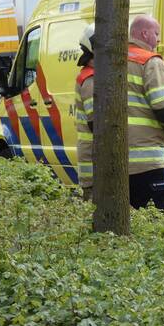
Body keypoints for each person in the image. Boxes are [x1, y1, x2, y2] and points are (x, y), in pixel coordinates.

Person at [127, 15, 164, 209]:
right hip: (149, 162)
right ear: (144, 33)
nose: (159, 39)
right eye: (156, 34)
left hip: (120, 163)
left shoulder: (115, 61)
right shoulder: (150, 62)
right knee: (154, 218)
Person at [74, 25, 96, 199]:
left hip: (92, 154)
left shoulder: (90, 76)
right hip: (93, 158)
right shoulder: (90, 80)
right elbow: (95, 121)